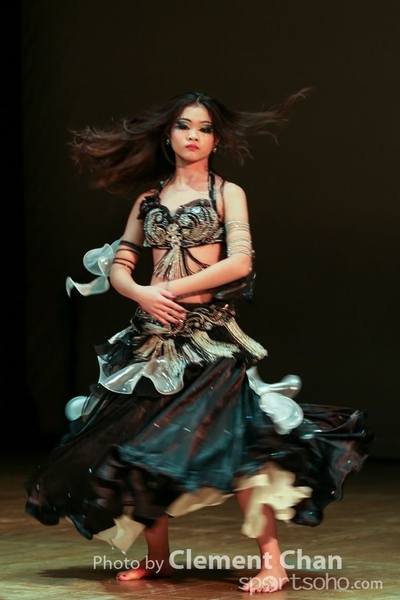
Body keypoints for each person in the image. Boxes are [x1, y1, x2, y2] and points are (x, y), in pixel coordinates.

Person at [25, 90, 373, 594]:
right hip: (151, 344)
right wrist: (141, 293)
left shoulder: (228, 193)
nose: (193, 135)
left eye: (204, 128)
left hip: (210, 341)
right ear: (168, 135)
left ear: (216, 140)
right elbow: (120, 266)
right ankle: (159, 558)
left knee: (241, 446)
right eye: (184, 126)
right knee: (141, 450)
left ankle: (272, 562)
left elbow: (239, 262)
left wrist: (168, 289)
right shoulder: (148, 200)